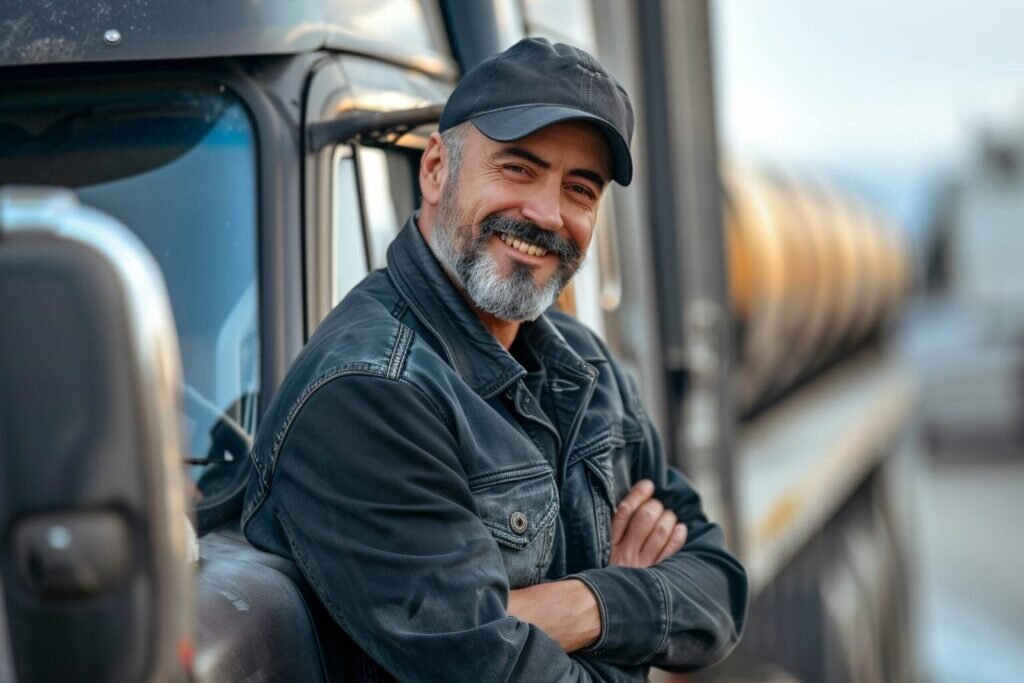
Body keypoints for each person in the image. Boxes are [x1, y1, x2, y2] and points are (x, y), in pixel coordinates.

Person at [242, 37, 747, 682]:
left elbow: (722, 590)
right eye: (517, 168)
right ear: (434, 169)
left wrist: (586, 603)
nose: (546, 214)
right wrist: (640, 624)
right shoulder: (370, 393)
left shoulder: (584, 367)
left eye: (580, 189)